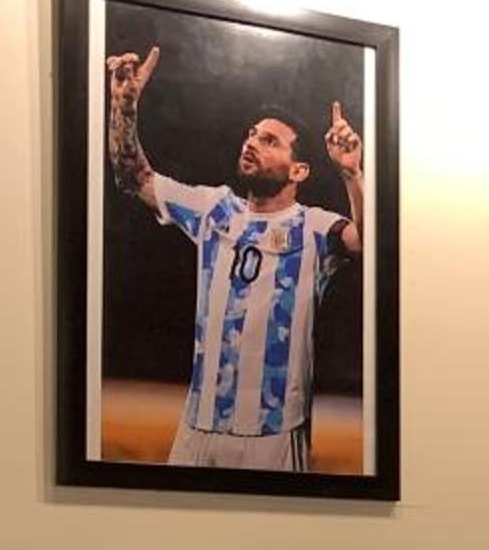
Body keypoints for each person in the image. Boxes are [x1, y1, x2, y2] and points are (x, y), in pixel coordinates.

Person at [103, 43, 369, 472]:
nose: (252, 143)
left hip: (275, 434)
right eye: (251, 134)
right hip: (197, 428)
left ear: (298, 170)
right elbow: (132, 177)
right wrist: (124, 106)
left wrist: (352, 174)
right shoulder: (215, 210)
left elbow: (370, 243)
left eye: (269, 141)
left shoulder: (315, 227)